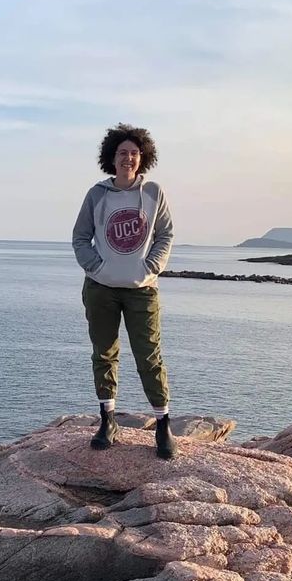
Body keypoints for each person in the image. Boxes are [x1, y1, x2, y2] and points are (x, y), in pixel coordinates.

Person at [72, 123, 176, 459]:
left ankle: (162, 425)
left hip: (141, 291)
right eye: (122, 153)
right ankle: (108, 420)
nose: (128, 158)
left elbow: (165, 235)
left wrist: (150, 268)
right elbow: (80, 238)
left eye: (133, 153)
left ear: (142, 157)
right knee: (103, 353)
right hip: (100, 288)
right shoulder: (97, 194)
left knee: (149, 356)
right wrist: (97, 267)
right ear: (112, 158)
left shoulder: (153, 193)